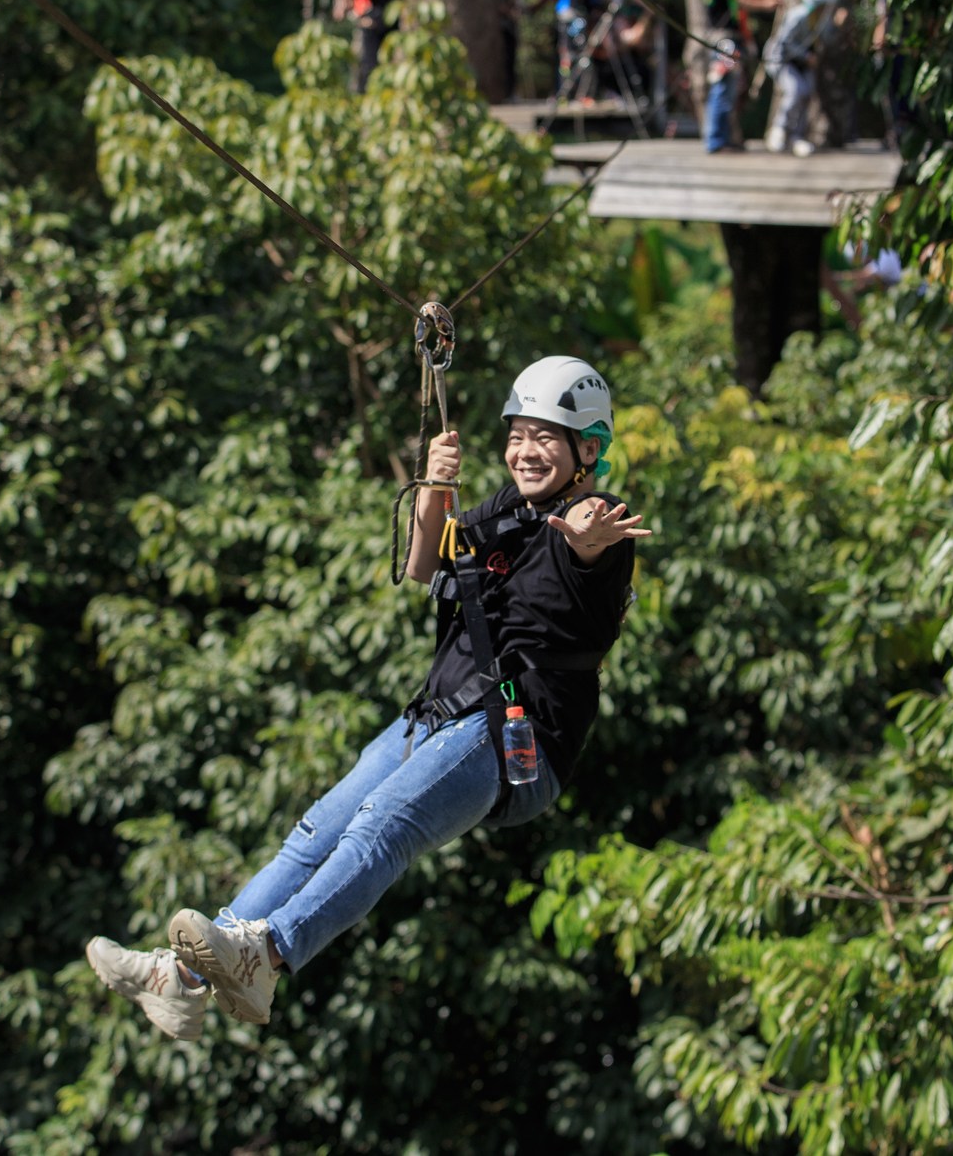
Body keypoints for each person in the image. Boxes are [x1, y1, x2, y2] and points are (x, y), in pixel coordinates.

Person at [84, 357, 651, 1036]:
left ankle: (269, 954)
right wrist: (434, 484)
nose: (526, 451)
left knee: (382, 824)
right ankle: (182, 981)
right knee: (316, 831)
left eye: (546, 437)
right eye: (517, 435)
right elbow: (422, 564)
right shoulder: (509, 507)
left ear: (588, 449)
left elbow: (589, 531)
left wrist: (589, 533)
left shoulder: (598, 525)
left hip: (510, 735)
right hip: (441, 715)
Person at [701, 0, 789, 153]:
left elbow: (741, 3)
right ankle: (716, 142)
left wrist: (764, 5)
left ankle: (726, 138)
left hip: (729, 41)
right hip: (724, 43)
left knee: (731, 92)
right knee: (722, 90)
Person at [763, 0, 844, 158]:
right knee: (795, 90)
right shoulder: (798, 16)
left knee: (807, 93)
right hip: (784, 61)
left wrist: (838, 26)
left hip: (804, 64)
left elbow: (827, 41)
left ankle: (797, 137)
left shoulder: (824, 19)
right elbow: (784, 43)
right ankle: (779, 129)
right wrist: (806, 56)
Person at [494, 0, 522, 98]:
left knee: (510, 56)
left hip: (509, 20)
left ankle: (510, 91)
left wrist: (515, 11)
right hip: (496, 20)